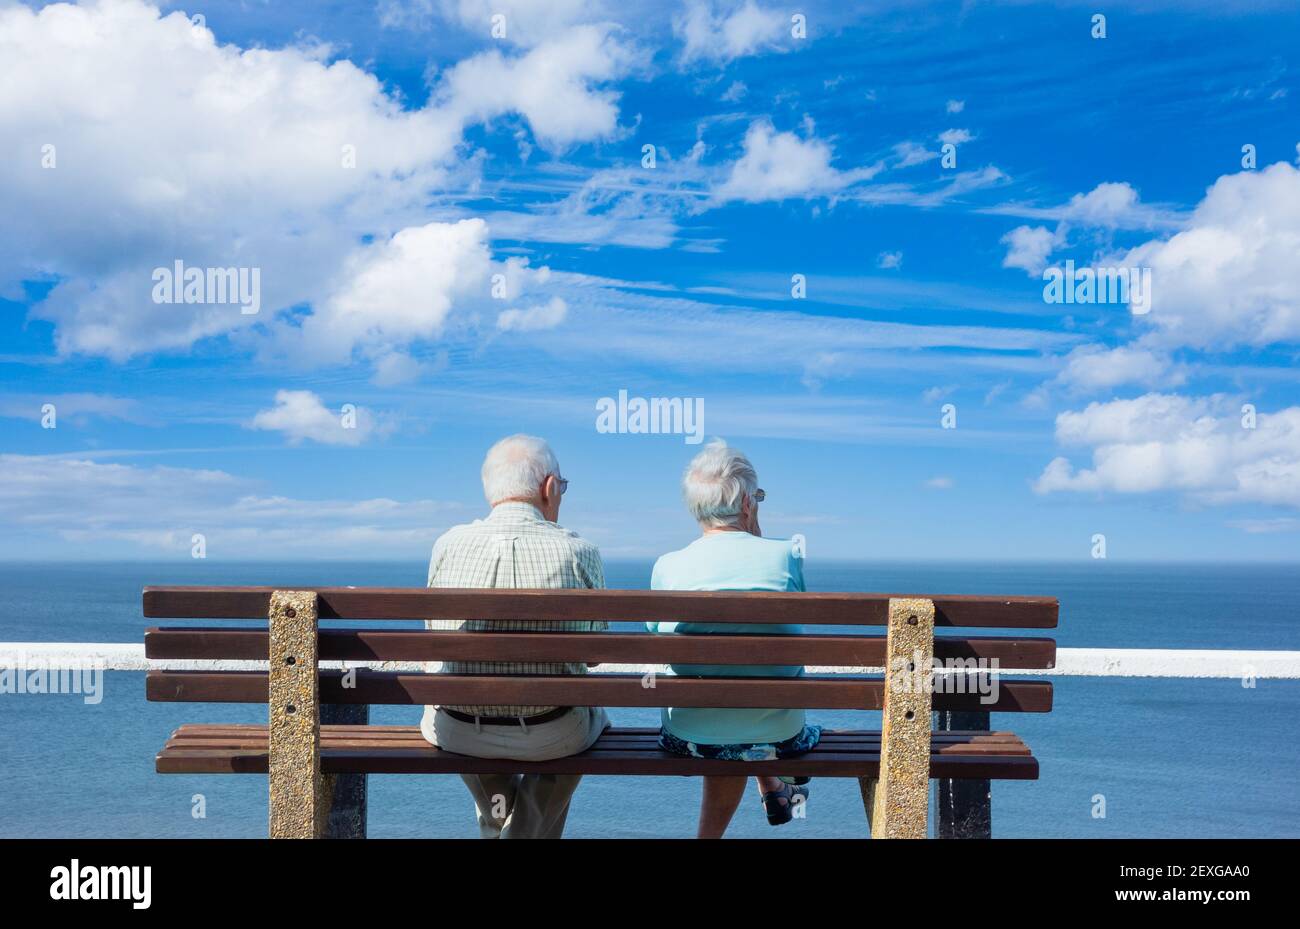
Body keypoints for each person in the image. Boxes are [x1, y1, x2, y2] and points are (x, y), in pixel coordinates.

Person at [421, 434, 610, 839]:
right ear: (547, 488)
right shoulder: (579, 551)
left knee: (462, 706)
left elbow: (434, 637)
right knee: (593, 716)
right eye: (562, 486)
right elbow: (594, 655)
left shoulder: (447, 545)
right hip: (551, 732)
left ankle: (498, 825)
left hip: (459, 729)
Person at [648, 439, 820, 839]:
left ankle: (773, 788)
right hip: (780, 735)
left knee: (724, 710)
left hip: (689, 735)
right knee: (749, 715)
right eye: (757, 497)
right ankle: (773, 785)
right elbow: (793, 631)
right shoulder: (786, 556)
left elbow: (654, 636)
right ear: (746, 503)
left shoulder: (668, 566)